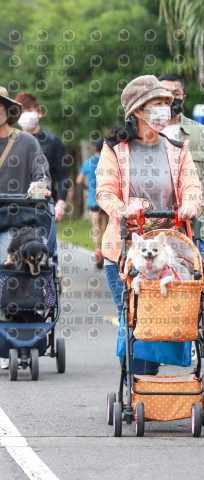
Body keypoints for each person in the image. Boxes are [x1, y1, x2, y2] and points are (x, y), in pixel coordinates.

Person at [95, 75, 202, 375]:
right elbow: (105, 191)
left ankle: (147, 379)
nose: (165, 111)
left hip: (167, 247)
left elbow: (191, 184)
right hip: (124, 249)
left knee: (163, 315)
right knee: (131, 316)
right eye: (158, 104)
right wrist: (123, 209)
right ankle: (136, 383)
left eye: (167, 104)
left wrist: (190, 204)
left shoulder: (178, 149)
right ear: (138, 111)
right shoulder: (114, 150)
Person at [0, 86, 51, 369]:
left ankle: (12, 339)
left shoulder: (27, 143)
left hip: (17, 224)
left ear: (9, 111)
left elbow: (41, 175)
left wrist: (42, 188)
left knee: (8, 263)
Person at [158, 73, 204, 262]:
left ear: (183, 97)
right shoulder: (143, 132)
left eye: (176, 93)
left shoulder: (200, 133)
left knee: (196, 284)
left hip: (193, 226)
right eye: (164, 93)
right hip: (151, 227)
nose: (170, 98)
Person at [15, 92, 69, 222]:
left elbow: (63, 176)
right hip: (14, 204)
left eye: (29, 110)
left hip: (44, 204)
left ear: (39, 112)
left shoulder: (53, 141)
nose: (25, 115)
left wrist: (61, 203)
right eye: (21, 112)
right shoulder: (11, 142)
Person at [76, 139, 108, 269]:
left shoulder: (89, 162)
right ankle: (106, 251)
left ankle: (97, 250)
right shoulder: (108, 162)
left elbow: (79, 180)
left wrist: (87, 188)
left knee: (96, 228)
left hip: (93, 200)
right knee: (107, 226)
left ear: (95, 149)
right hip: (106, 200)